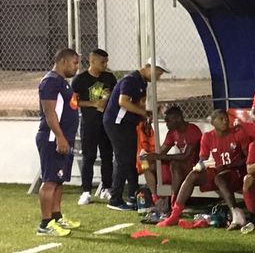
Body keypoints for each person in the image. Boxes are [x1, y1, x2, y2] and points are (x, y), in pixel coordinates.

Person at [157, 109, 251, 229]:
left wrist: (230, 165)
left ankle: (236, 214)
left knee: (219, 178)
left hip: (235, 172)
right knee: (194, 174)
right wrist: (204, 165)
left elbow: (249, 158)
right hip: (217, 170)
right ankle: (174, 215)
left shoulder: (238, 133)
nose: (225, 121)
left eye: (226, 118)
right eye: (221, 119)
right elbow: (203, 160)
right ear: (212, 122)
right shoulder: (207, 137)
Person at [102, 57, 169, 211]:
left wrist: (145, 115)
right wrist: (143, 113)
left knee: (132, 158)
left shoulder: (142, 82)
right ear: (149, 68)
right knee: (123, 159)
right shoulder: (131, 80)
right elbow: (123, 102)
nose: (158, 78)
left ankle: (133, 194)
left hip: (128, 123)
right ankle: (115, 199)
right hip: (117, 123)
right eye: (158, 73)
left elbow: (139, 104)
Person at [35, 48, 81, 236]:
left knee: (59, 180)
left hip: (63, 138)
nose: (77, 67)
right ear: (63, 61)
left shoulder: (62, 82)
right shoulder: (50, 82)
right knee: (50, 181)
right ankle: (45, 224)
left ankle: (56, 216)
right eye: (75, 63)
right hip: (52, 138)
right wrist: (59, 137)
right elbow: (49, 112)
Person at [72, 48, 116, 205]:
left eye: (106, 62)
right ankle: (86, 191)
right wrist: (92, 103)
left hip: (106, 124)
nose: (105, 65)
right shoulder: (80, 80)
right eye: (102, 62)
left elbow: (115, 96)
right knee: (88, 157)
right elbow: (73, 102)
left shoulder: (109, 78)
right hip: (89, 124)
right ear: (92, 61)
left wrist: (108, 98)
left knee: (107, 156)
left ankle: (106, 188)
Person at [139, 106, 202, 208]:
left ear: (178, 118)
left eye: (168, 121)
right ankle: (155, 198)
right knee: (145, 163)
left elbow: (186, 156)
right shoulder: (172, 132)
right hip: (179, 166)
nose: (166, 124)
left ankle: (173, 201)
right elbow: (162, 152)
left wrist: (159, 156)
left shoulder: (192, 130)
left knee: (175, 164)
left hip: (194, 167)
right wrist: (148, 156)